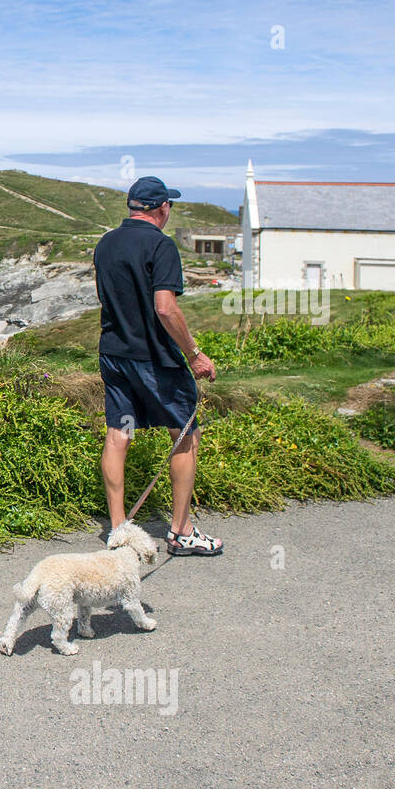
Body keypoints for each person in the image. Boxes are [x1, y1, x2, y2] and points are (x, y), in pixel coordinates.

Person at [93, 176, 222, 556]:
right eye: (169, 206)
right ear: (161, 208)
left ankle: (118, 529)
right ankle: (180, 531)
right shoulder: (161, 246)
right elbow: (165, 308)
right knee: (184, 433)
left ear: (133, 207)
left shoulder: (106, 243)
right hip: (154, 358)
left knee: (119, 433)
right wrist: (195, 354)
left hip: (114, 353)